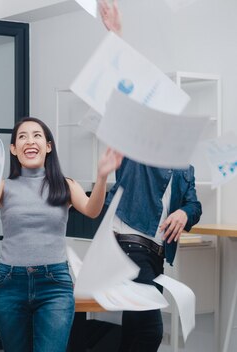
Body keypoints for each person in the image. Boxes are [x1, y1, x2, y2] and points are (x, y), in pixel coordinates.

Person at [0, 113, 123, 351]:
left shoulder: (65, 184)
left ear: (48, 146)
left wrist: (102, 177)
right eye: (22, 137)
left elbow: (93, 211)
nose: (30, 141)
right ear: (13, 149)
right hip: (9, 283)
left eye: (37, 136)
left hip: (55, 285)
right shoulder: (5, 187)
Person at [99, 1, 202, 351]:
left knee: (136, 331)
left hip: (155, 253)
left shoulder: (185, 164)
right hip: (128, 244)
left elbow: (194, 202)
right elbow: (123, 100)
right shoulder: (139, 149)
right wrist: (116, 36)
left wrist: (185, 212)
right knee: (149, 331)